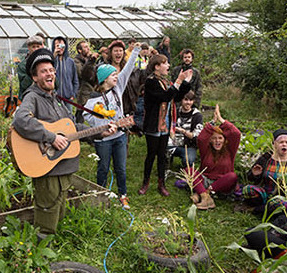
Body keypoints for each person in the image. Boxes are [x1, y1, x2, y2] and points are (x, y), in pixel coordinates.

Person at [12, 48, 117, 237]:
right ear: (35, 77)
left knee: (58, 212)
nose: (50, 74)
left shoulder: (56, 98)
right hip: (47, 168)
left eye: (51, 70)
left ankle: (51, 254)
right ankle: (41, 259)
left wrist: (101, 131)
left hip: (61, 167)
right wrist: (51, 137)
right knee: (47, 217)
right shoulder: (33, 97)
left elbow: (72, 129)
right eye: (44, 71)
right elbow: (20, 120)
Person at [84, 44, 141, 207]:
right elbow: (87, 116)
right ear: (104, 78)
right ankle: (101, 194)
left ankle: (123, 194)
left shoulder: (118, 89)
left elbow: (127, 70)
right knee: (102, 168)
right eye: (113, 75)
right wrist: (102, 124)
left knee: (121, 168)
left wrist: (135, 51)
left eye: (116, 74)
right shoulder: (93, 99)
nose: (117, 76)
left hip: (120, 137)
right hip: (103, 140)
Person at [138, 54, 192, 197]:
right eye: (165, 63)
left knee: (162, 155)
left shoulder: (166, 81)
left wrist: (186, 82)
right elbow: (165, 96)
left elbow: (176, 97)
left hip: (165, 125)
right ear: (157, 66)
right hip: (154, 124)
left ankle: (161, 184)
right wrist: (178, 81)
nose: (168, 66)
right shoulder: (151, 82)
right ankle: (146, 183)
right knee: (151, 155)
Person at [187, 104, 241, 209]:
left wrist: (221, 119)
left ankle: (203, 193)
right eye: (214, 138)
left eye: (220, 138)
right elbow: (201, 138)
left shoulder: (230, 150)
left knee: (233, 176)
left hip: (222, 183)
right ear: (210, 140)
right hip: (206, 180)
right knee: (189, 170)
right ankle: (206, 198)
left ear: (224, 140)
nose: (217, 141)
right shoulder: (206, 149)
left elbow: (236, 133)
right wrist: (212, 123)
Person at [242, 129, 287, 215]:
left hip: (281, 197)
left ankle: (255, 210)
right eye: (281, 142)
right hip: (263, 193)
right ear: (274, 144)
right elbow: (250, 177)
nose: (284, 144)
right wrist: (255, 174)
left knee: (283, 204)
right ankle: (266, 209)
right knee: (247, 189)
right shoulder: (266, 158)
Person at [167, 91, 203, 168]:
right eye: (186, 100)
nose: (188, 102)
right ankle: (165, 169)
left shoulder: (197, 116)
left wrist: (182, 131)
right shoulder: (174, 112)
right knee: (161, 150)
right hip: (173, 143)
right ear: (181, 100)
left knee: (189, 160)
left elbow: (196, 136)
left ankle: (185, 171)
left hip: (189, 146)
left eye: (190, 100)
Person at [51, 36, 79, 112]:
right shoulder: (51, 61)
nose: (61, 48)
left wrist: (73, 94)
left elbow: (75, 79)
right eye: (58, 46)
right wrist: (54, 55)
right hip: (55, 97)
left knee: (69, 118)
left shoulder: (70, 62)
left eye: (62, 46)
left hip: (68, 97)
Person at [73, 40, 98, 123]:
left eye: (88, 47)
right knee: (81, 112)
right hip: (82, 91)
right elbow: (82, 74)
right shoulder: (76, 61)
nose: (88, 49)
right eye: (85, 47)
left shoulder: (89, 60)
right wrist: (90, 62)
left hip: (92, 89)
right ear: (80, 50)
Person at [17, 35, 44, 100]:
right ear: (29, 48)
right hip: (29, 99)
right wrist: (32, 68)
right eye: (33, 47)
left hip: (44, 98)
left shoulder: (46, 62)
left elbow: (55, 83)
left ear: (42, 47)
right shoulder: (23, 65)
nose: (36, 49)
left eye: (38, 46)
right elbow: (24, 85)